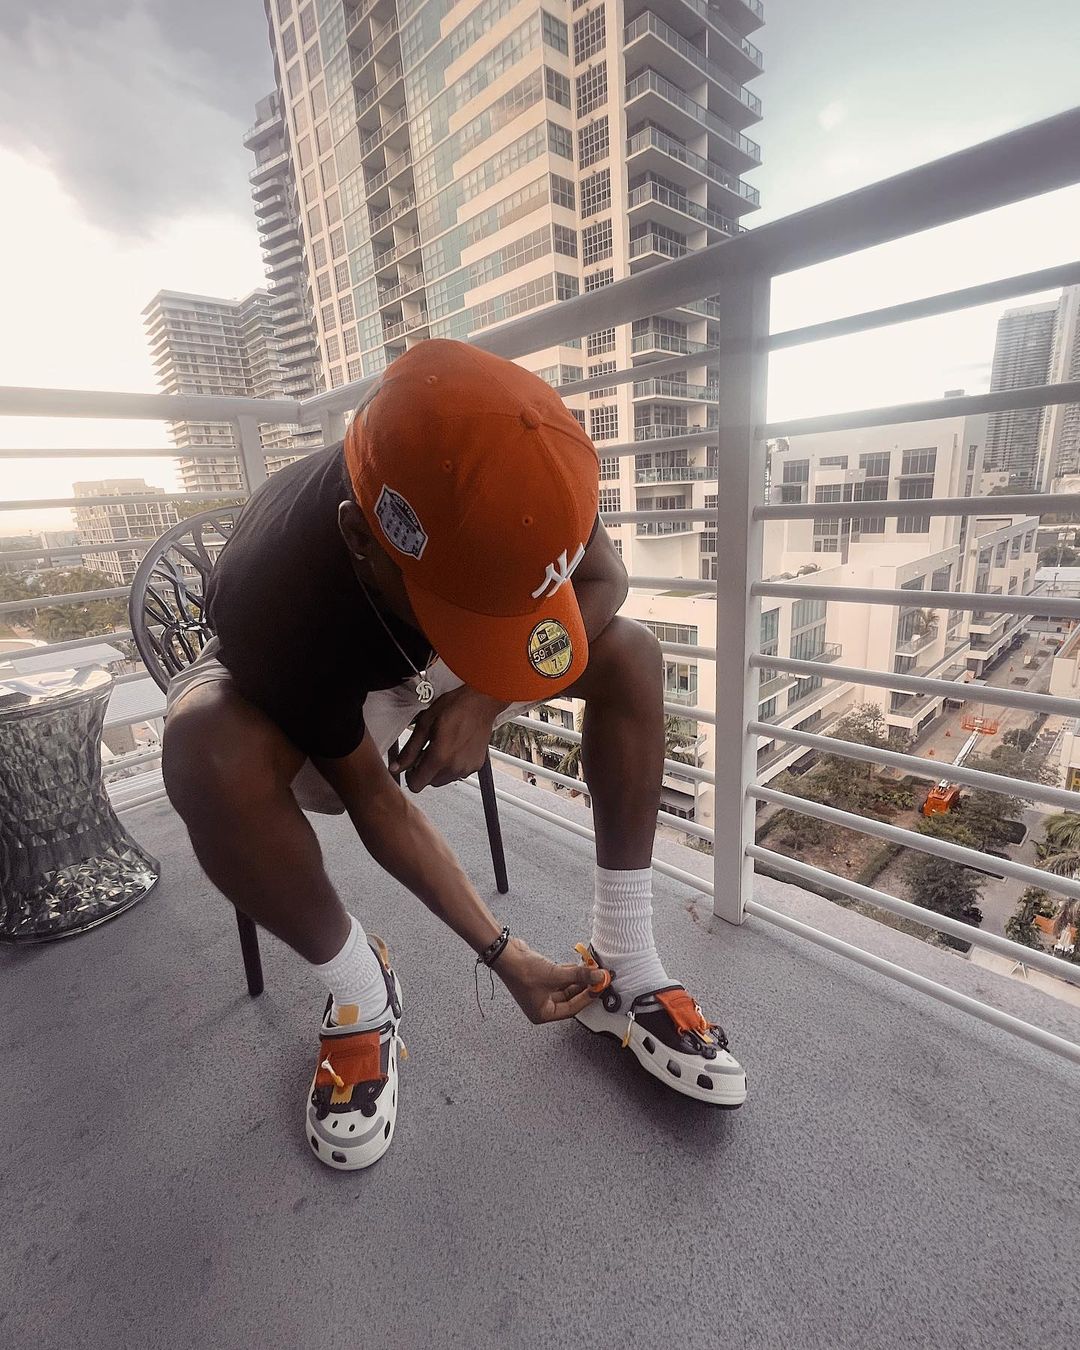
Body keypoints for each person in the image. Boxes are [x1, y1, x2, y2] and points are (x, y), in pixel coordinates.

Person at [162, 340, 746, 1171]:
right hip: (323, 667)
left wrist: (484, 695)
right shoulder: (277, 596)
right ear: (362, 537)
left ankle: (624, 951)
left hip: (421, 639)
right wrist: (505, 956)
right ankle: (362, 990)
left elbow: (603, 583)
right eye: (474, 601)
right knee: (204, 751)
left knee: (632, 654)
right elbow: (377, 802)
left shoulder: (524, 461)